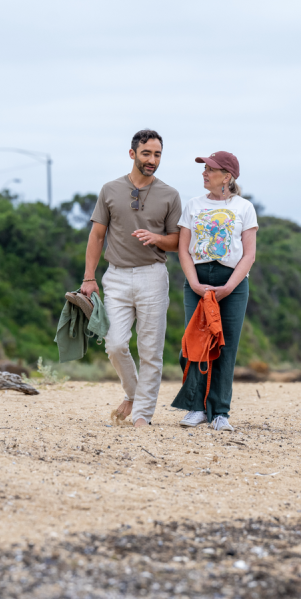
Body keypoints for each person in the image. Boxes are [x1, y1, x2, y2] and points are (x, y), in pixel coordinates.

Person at [81, 129, 182, 428]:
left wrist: (157, 238)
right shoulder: (110, 190)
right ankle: (132, 393)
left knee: (151, 350)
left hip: (153, 276)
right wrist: (89, 278)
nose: (152, 160)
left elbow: (177, 242)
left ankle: (142, 417)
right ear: (132, 154)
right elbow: (97, 235)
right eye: (147, 153)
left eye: (158, 154)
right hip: (116, 278)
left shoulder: (170, 194)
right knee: (114, 344)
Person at [171, 151, 258, 432]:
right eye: (204, 168)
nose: (204, 173)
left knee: (226, 346)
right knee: (196, 344)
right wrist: (194, 283)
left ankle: (220, 412)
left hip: (232, 283)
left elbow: (249, 255)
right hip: (197, 279)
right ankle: (196, 408)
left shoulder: (244, 207)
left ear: (227, 176)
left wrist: (229, 287)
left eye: (210, 169)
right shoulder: (193, 205)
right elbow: (183, 249)